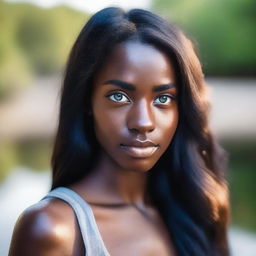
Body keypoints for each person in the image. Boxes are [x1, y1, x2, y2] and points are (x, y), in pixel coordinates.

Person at [8, 7, 230, 256]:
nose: (143, 122)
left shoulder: (192, 209)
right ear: (86, 101)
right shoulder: (52, 229)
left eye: (164, 99)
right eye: (119, 96)